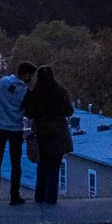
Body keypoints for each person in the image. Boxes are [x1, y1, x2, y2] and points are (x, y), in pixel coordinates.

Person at [23, 64, 74, 206]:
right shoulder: (61, 92)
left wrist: (29, 92)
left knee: (42, 166)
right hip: (59, 134)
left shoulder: (36, 93)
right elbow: (69, 112)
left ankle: (39, 197)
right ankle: (52, 199)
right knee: (55, 168)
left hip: (42, 134)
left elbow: (28, 113)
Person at [0, 62, 35, 206]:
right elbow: (29, 112)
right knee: (16, 164)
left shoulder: (1, 81)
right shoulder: (27, 93)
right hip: (15, 130)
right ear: (26, 75)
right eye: (32, 76)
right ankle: (14, 195)